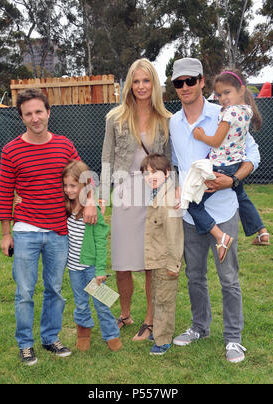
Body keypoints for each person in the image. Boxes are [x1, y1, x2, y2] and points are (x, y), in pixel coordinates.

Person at [169, 58, 261, 363]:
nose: (184, 87)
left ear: (201, 81)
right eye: (178, 83)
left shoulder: (224, 110)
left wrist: (232, 179)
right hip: (190, 214)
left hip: (223, 210)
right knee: (195, 276)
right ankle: (199, 327)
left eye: (190, 81)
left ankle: (233, 339)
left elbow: (252, 154)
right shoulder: (173, 122)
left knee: (229, 279)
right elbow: (178, 165)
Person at [0, 88, 97, 366]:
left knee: (54, 288)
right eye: (28, 114)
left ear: (49, 112)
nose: (35, 118)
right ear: (22, 118)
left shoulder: (65, 145)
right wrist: (6, 234)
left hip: (58, 231)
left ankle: (50, 337)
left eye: (39, 111)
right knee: (25, 292)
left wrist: (90, 201)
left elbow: (85, 176)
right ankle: (26, 344)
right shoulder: (10, 150)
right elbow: (5, 194)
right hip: (25, 231)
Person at [99, 58, 174, 341]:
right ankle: (125, 314)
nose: (141, 86)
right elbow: (106, 157)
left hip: (153, 196)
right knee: (122, 261)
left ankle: (150, 320)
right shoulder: (115, 117)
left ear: (154, 84)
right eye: (136, 80)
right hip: (123, 193)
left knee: (151, 262)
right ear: (129, 84)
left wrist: (170, 194)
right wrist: (101, 195)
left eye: (146, 81)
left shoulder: (165, 118)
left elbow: (170, 162)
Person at [187, 68, 269, 262]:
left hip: (221, 167)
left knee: (192, 205)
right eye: (219, 94)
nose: (223, 98)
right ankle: (262, 231)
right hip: (235, 164)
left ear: (241, 90)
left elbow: (216, 141)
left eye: (227, 92)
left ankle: (220, 237)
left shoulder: (229, 113)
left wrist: (200, 136)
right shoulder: (246, 111)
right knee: (242, 196)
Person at [62, 160, 122, 352]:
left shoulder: (93, 210)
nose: (68, 190)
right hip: (74, 268)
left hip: (91, 268)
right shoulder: (64, 208)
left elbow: (100, 243)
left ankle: (111, 334)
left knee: (102, 303)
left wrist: (100, 270)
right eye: (65, 185)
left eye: (73, 186)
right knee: (80, 304)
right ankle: (83, 334)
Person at [140, 153, 183, 355]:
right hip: (156, 258)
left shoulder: (169, 200)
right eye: (146, 174)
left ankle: (164, 339)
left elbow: (175, 234)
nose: (150, 177)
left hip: (166, 260)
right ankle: (158, 329)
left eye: (154, 172)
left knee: (165, 300)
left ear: (166, 173)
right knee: (157, 296)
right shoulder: (155, 194)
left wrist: (174, 264)